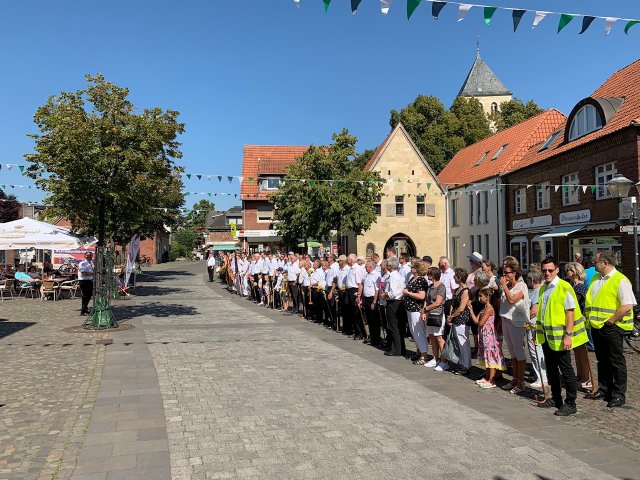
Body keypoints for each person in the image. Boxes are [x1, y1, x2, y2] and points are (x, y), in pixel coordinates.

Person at [536, 256, 589, 416]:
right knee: (552, 369)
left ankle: (571, 403)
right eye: (544, 270)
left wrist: (568, 335)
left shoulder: (564, 287)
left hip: (560, 337)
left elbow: (570, 312)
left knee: (566, 370)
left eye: (550, 270)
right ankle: (556, 398)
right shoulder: (544, 288)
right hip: (547, 337)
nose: (547, 273)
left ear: (557, 270)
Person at [584, 251, 636, 408]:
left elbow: (628, 304)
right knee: (602, 360)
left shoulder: (620, 280)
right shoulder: (596, 278)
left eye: (596, 261)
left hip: (612, 327)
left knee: (616, 361)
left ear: (605, 263)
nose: (594, 263)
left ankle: (619, 394)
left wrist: (611, 321)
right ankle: (604, 388)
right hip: (597, 326)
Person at [499, 256, 529, 394]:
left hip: (516, 322)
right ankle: (515, 379)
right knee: (511, 351)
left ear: (514, 272)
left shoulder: (521, 285)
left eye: (507, 273)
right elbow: (504, 304)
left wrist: (504, 286)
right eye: (504, 273)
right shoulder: (508, 286)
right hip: (506, 319)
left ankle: (521, 381)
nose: (505, 276)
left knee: (519, 351)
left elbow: (512, 300)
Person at [467, 286, 504, 388]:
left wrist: (478, 320)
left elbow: (480, 322)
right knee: (486, 357)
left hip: (489, 336)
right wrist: (471, 310)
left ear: (487, 297)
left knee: (490, 357)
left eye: (481, 296)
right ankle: (487, 377)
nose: (479, 298)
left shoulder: (489, 308)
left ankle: (491, 380)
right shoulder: (484, 308)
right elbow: (476, 321)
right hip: (483, 335)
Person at [564, 262, 592, 391]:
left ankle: (586, 378)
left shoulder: (580, 288)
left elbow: (573, 303)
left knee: (582, 352)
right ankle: (580, 375)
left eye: (568, 270)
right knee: (577, 351)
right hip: (574, 322)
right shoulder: (572, 286)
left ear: (574, 272)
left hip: (580, 322)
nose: (567, 272)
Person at [445, 267, 472, 374]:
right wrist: (450, 316)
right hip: (455, 318)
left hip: (462, 319)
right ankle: (461, 363)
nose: (453, 277)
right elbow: (453, 304)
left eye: (455, 276)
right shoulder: (457, 290)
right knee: (458, 342)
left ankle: (466, 365)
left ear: (459, 278)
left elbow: (461, 308)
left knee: (463, 342)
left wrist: (452, 316)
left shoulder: (466, 291)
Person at [402, 261, 429, 364]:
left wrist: (408, 293)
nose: (411, 268)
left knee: (418, 332)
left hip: (416, 309)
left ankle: (423, 355)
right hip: (410, 308)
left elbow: (422, 296)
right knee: (414, 332)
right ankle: (419, 351)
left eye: (412, 267)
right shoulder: (413, 279)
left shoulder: (421, 280)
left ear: (417, 269)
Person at [526, 269, 547, 390]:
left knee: (536, 351)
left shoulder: (537, 291)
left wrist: (523, 319)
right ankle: (541, 376)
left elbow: (533, 311)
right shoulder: (537, 291)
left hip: (534, 326)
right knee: (536, 351)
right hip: (532, 325)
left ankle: (542, 378)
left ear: (532, 280)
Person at [422, 267, 446, 369]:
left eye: (429, 275)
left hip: (437, 314)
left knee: (439, 337)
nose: (428, 276)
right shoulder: (430, 286)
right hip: (430, 314)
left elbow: (438, 302)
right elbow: (426, 300)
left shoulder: (441, 286)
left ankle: (444, 361)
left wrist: (426, 308)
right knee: (431, 337)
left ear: (433, 275)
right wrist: (424, 311)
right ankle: (435, 358)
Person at [381, 256, 406, 357]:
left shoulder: (393, 277)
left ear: (390, 266)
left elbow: (393, 293)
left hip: (393, 302)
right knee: (398, 326)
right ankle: (401, 348)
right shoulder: (399, 276)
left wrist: (384, 295)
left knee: (393, 326)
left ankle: (396, 349)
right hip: (399, 302)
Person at [361, 260, 381, 346]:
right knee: (369, 319)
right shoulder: (366, 275)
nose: (365, 268)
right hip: (366, 298)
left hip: (372, 298)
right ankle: (372, 337)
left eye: (366, 266)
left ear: (371, 267)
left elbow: (377, 290)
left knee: (374, 320)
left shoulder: (376, 275)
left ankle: (376, 339)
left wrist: (374, 302)